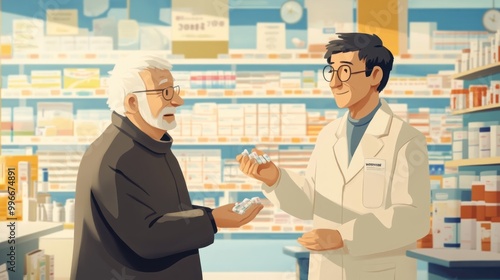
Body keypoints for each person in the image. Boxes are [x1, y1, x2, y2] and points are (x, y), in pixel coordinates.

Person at [236, 33, 430, 280]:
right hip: (327, 271)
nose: (334, 83)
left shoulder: (406, 139)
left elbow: (414, 218)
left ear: (375, 76)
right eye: (332, 71)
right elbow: (310, 204)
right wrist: (275, 179)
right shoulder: (328, 135)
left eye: (346, 71)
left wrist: (344, 236)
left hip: (377, 272)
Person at [71, 54, 263, 279]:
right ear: (132, 102)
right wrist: (212, 220)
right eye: (165, 92)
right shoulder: (115, 158)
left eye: (175, 90)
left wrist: (211, 215)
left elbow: (168, 212)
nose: (178, 101)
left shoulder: (151, 146)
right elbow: (145, 237)